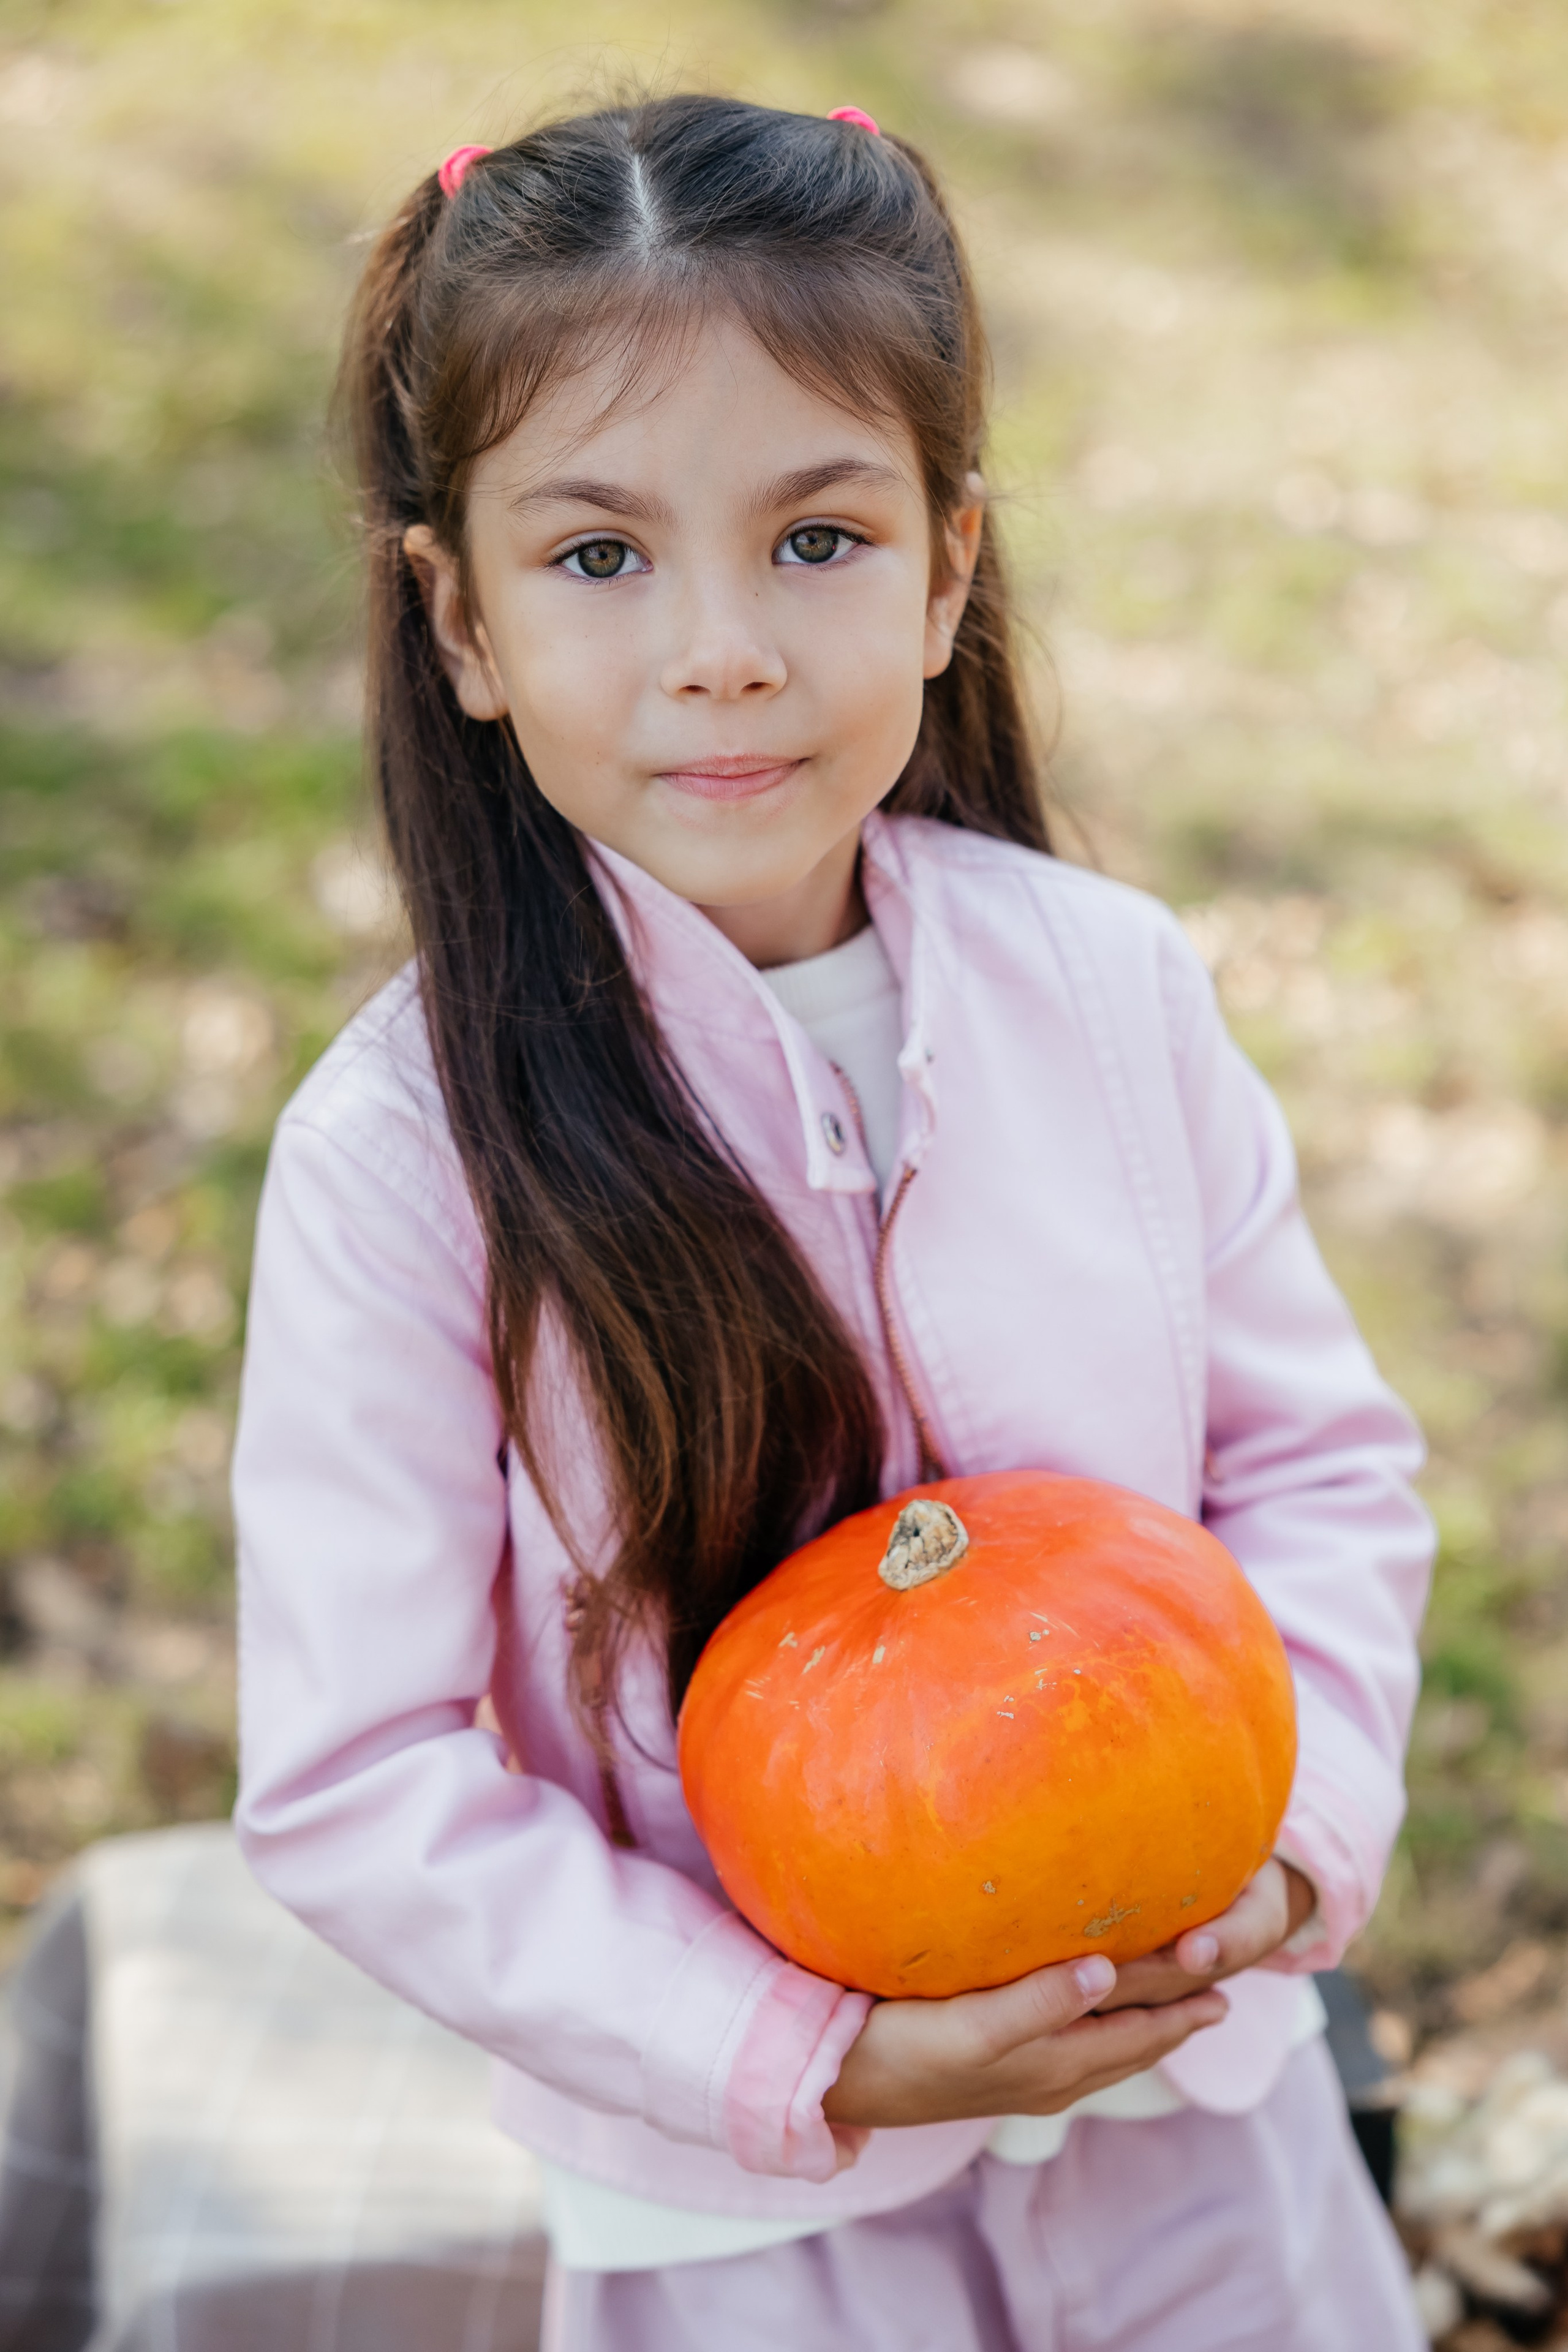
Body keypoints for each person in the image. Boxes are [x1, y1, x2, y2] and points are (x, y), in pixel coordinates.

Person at [232, 94, 1432, 2349]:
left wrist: (1290, 1845)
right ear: (459, 617)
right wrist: (804, 2057)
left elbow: (1321, 1467)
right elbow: (356, 1772)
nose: (722, 649)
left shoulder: (1108, 990)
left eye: (818, 540)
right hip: (756, 2221)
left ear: (950, 568)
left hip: (1203, 2109)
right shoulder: (407, 1160)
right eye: (600, 557)